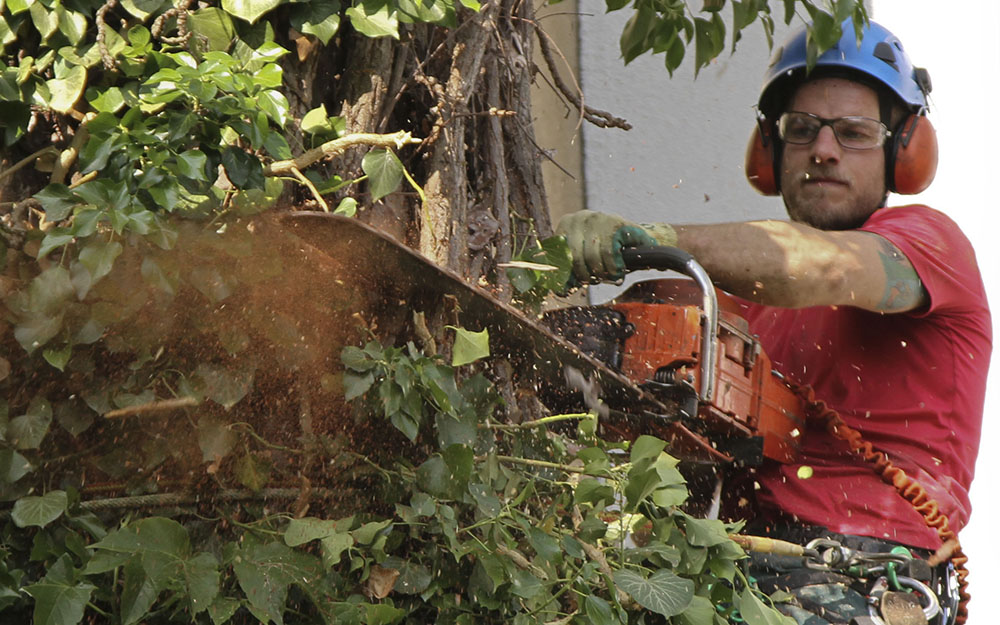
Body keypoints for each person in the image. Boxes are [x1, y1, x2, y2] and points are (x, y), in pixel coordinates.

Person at [556, 19, 991, 625]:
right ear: (771, 146)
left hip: (860, 582)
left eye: (854, 133)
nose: (824, 149)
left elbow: (818, 265)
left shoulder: (928, 244)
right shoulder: (735, 311)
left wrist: (652, 238)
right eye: (802, 129)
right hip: (731, 578)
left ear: (901, 149)